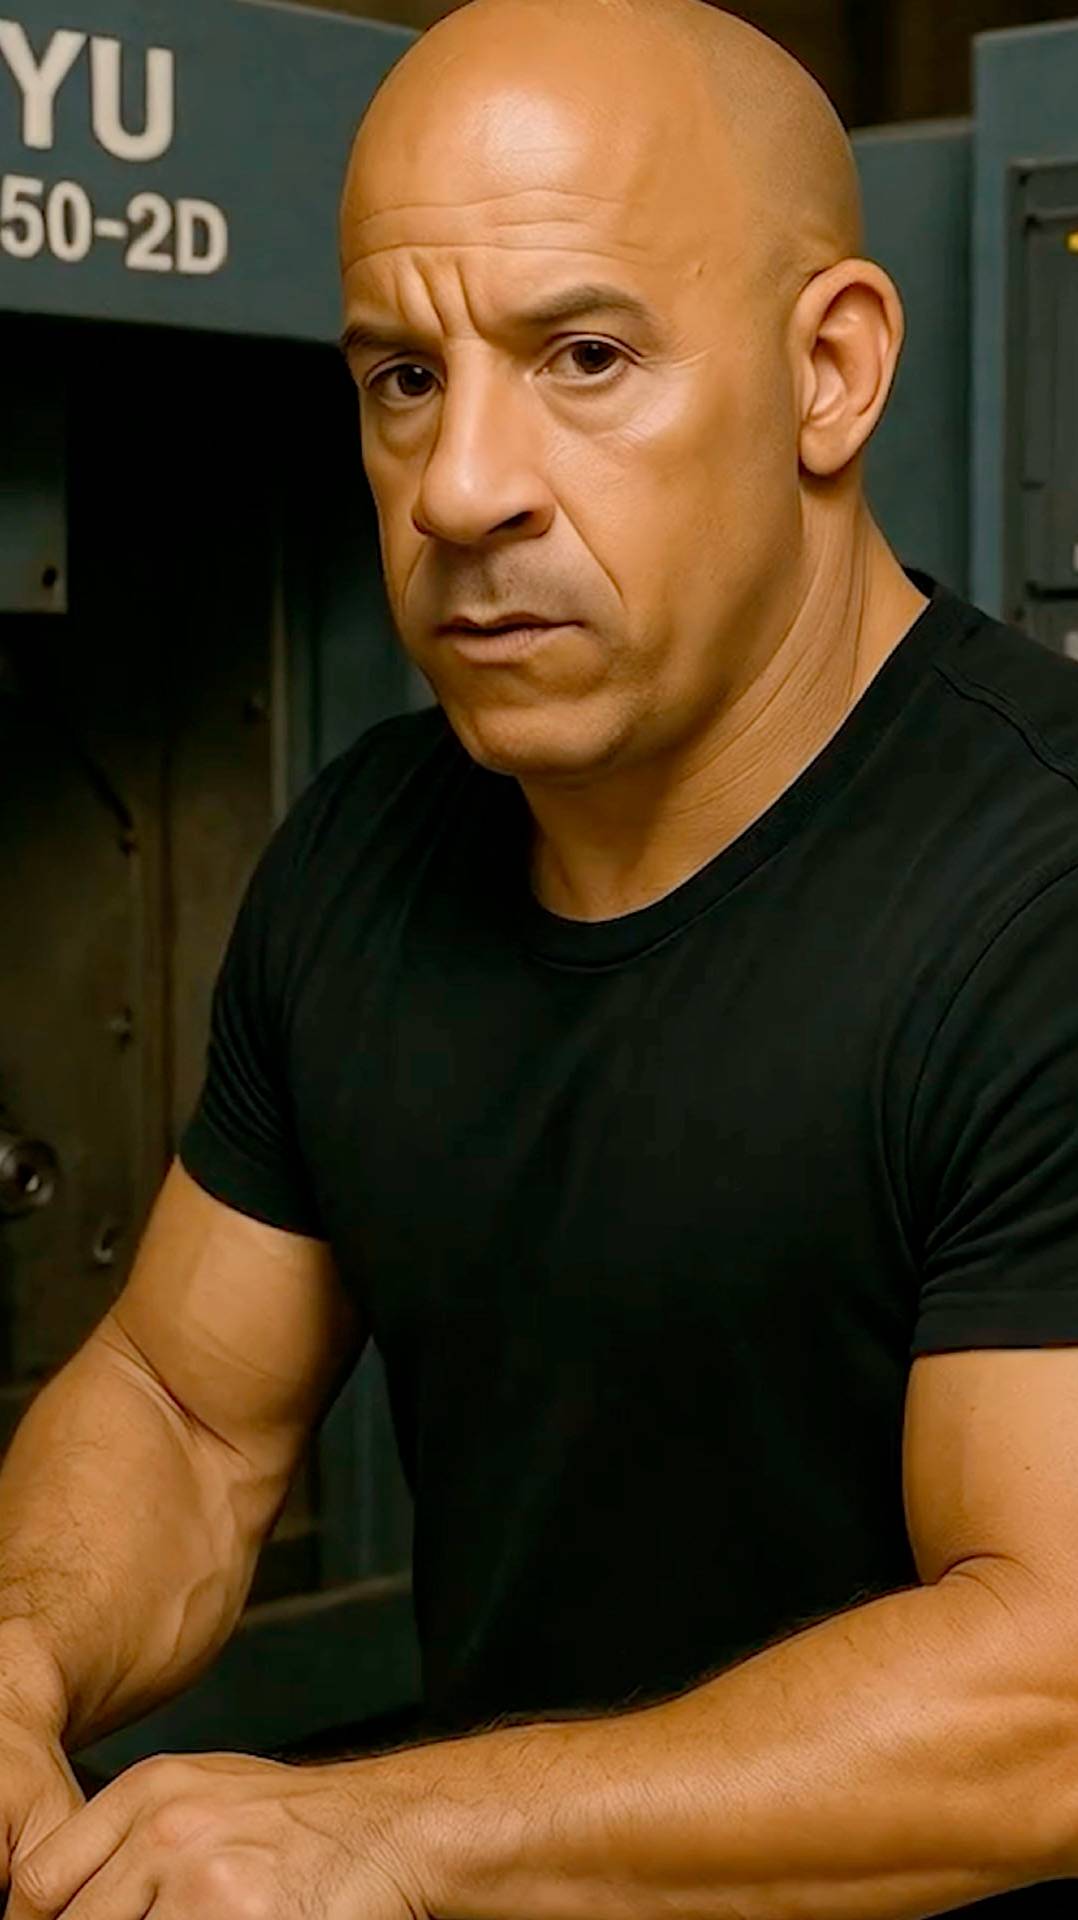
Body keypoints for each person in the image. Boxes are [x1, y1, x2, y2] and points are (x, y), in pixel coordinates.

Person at [3, 0, 1078, 1913]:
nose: (456, 487)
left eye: (584, 356)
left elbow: (1052, 1685)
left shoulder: (1039, 884)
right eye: (403, 377)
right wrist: (18, 1653)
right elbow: (181, 1403)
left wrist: (383, 1828)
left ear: (829, 372)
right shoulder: (364, 851)